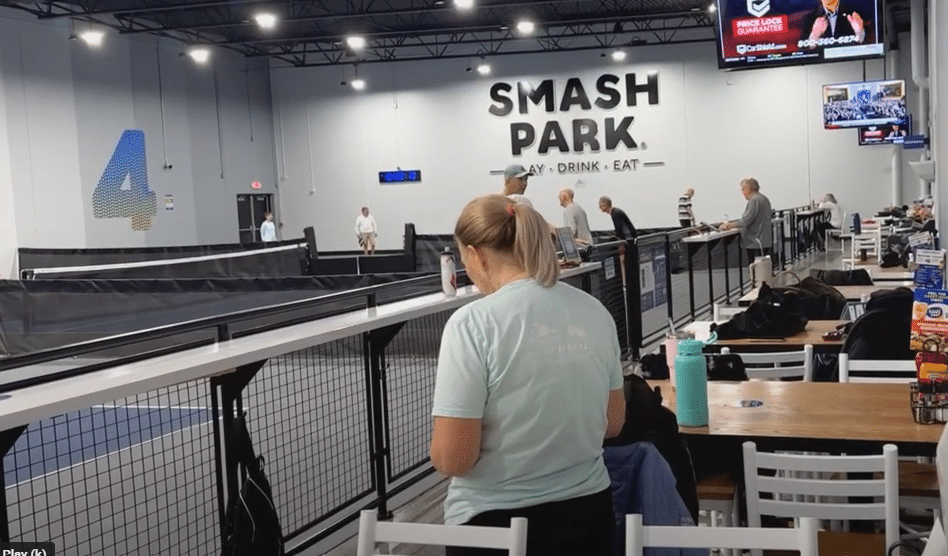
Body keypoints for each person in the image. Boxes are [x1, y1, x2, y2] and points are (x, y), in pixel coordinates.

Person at [430, 194, 625, 556]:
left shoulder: (472, 324)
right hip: (589, 516)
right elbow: (612, 423)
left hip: (493, 526)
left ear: (477, 254)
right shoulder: (594, 311)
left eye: (463, 258)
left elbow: (453, 459)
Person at [720, 178, 773, 261]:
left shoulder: (754, 200)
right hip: (764, 241)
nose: (743, 193)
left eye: (743, 189)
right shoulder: (764, 199)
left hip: (755, 242)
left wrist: (729, 225)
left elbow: (746, 221)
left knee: (755, 270)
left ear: (748, 189)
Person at [801, 0, 866, 49]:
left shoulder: (855, 14)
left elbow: (870, 47)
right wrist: (814, 36)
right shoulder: (809, 19)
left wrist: (859, 32)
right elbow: (801, 54)